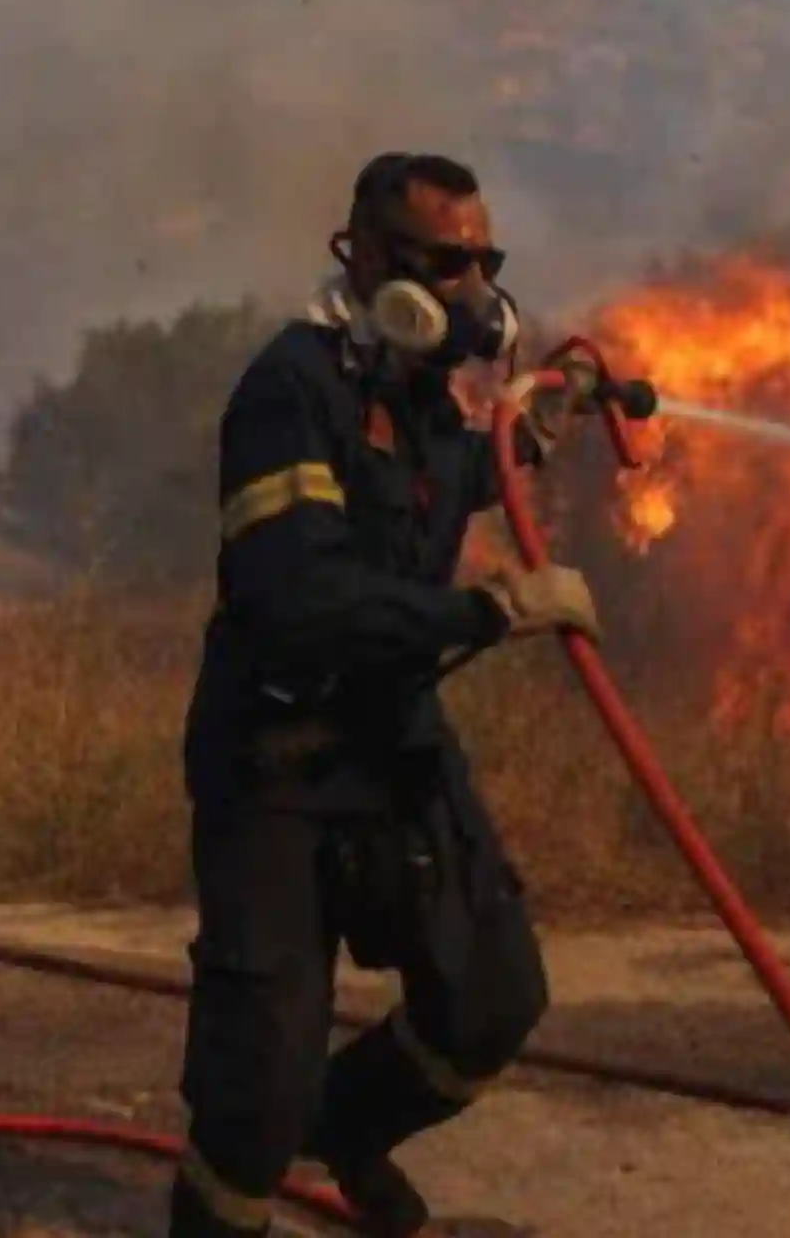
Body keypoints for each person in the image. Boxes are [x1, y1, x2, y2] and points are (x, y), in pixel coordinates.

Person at [169, 151, 599, 1238]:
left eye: (481, 263)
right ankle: (238, 1187)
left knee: (493, 998)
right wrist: (490, 609)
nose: (466, 291)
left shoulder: (418, 398)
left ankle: (347, 1130)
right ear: (364, 259)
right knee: (254, 1088)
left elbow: (443, 483)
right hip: (278, 754)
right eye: (439, 264)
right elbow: (296, 594)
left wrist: (537, 432)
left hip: (395, 738)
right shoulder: (290, 388)